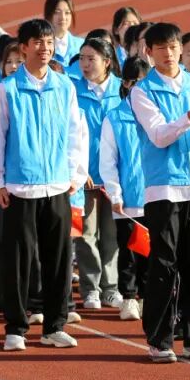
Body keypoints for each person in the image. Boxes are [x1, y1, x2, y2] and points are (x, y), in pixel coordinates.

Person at [0, 18, 88, 351]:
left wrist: (74, 175)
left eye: (49, 42)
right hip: (21, 186)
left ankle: (54, 326)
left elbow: (75, 133)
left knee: (58, 260)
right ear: (24, 48)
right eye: (38, 42)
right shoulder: (8, 89)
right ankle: (16, 328)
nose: (45, 48)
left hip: (57, 186)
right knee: (19, 261)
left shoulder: (65, 86)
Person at [130, 22, 190, 363]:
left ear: (180, 49)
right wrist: (189, 116)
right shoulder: (142, 91)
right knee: (164, 264)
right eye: (161, 48)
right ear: (148, 52)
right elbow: (158, 136)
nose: (168, 54)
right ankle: (159, 339)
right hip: (164, 187)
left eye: (173, 47)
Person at [67, 37, 122, 311]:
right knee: (86, 234)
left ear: (107, 62)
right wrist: (81, 170)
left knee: (111, 236)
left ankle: (111, 288)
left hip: (115, 178)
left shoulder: (121, 91)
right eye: (82, 58)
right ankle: (91, 289)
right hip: (84, 178)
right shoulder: (73, 90)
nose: (85, 64)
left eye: (91, 59)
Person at [100, 56, 150, 321]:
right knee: (129, 250)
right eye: (137, 82)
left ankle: (148, 296)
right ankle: (129, 297)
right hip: (128, 198)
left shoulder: (158, 115)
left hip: (155, 195)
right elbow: (108, 161)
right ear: (126, 84)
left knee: (153, 252)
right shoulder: (115, 118)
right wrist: (115, 193)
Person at [44, 0, 82, 66]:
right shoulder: (41, 48)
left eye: (67, 13)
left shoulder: (82, 45)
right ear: (48, 15)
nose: (63, 17)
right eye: (57, 12)